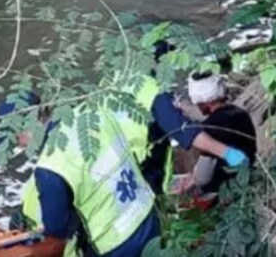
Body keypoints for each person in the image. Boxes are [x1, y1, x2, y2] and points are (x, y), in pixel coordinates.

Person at [19, 75, 249, 257]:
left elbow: (56, 238)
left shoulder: (50, 167)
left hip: (114, 243)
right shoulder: (87, 114)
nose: (18, 144)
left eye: (14, 137)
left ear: (23, 128)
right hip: (145, 209)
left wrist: (226, 153)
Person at [177, 72, 257, 201]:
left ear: (203, 101)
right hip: (248, 176)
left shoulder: (211, 127)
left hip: (225, 189)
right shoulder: (240, 113)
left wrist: (192, 179)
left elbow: (203, 177)